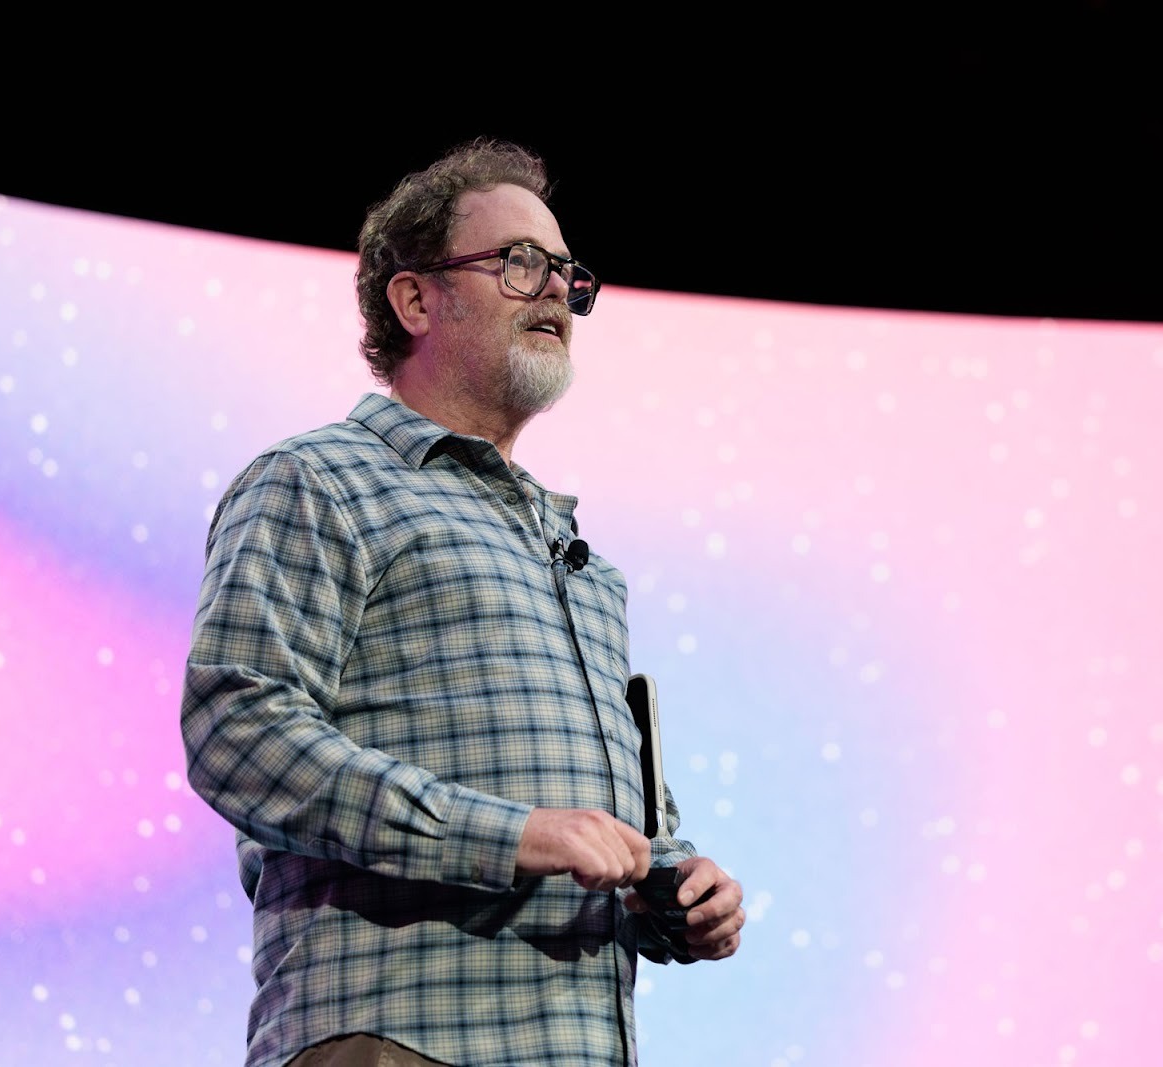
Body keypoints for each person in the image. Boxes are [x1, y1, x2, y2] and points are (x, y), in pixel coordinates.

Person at [180, 136, 745, 1067]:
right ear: (415, 298)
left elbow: (624, 835)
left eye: (567, 273)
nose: (556, 290)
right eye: (520, 262)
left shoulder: (586, 571)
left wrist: (679, 889)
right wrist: (509, 835)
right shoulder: (321, 482)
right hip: (401, 1038)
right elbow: (239, 732)